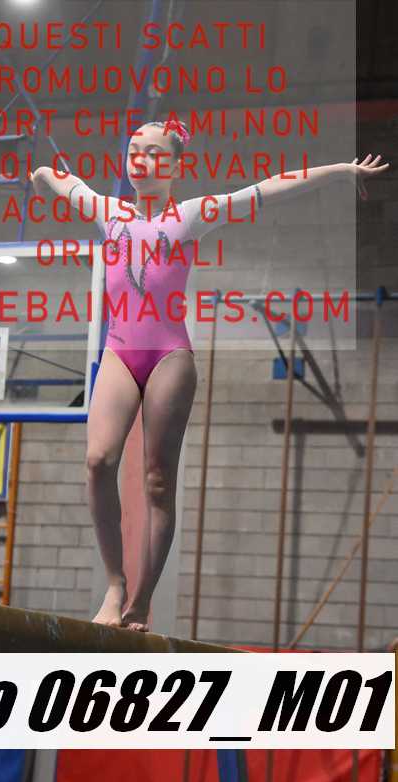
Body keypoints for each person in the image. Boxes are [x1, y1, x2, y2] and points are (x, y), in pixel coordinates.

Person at [31, 121, 389, 632]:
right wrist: (42, 175)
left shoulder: (191, 215)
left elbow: (267, 189)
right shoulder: (109, 212)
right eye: (133, 151)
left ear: (175, 166)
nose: (140, 160)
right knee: (97, 460)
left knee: (157, 481)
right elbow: (63, 181)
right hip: (119, 352)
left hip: (168, 358)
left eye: (153, 153)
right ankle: (115, 585)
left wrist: (338, 171)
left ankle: (141, 600)